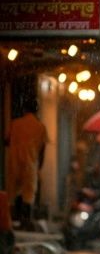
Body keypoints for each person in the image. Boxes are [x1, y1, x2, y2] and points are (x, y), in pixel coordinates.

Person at [5, 98, 48, 230]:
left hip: (14, 162)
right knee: (28, 193)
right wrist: (39, 166)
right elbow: (42, 149)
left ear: (24, 109)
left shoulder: (15, 123)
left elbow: (6, 140)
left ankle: (9, 220)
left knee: (11, 192)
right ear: (36, 111)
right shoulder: (40, 127)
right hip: (30, 163)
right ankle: (25, 220)